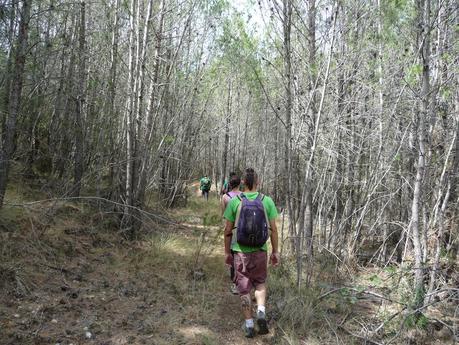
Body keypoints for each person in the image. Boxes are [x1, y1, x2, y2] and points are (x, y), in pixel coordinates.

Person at [223, 168, 280, 338]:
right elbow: (274, 230)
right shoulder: (266, 201)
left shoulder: (235, 201)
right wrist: (275, 252)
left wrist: (227, 253)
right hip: (261, 251)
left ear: (243, 183)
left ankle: (249, 325)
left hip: (240, 252)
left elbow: (227, 230)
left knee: (244, 288)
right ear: (258, 182)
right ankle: (261, 311)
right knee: (260, 283)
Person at [220, 173, 242, 295]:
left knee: (232, 255)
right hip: (242, 229)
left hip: (231, 229)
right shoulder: (244, 196)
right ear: (240, 184)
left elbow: (224, 215)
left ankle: (235, 283)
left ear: (230, 184)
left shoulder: (225, 197)